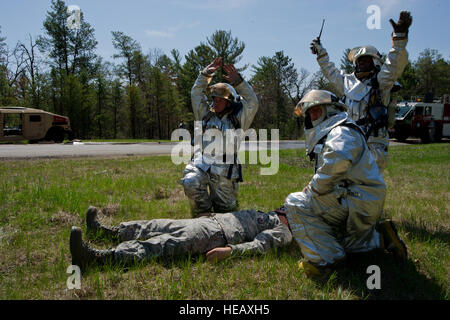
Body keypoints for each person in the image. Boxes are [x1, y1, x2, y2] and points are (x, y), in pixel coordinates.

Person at [286, 89, 407, 278]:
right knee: (330, 238)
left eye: (318, 109)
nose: (313, 115)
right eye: (310, 112)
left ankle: (326, 261)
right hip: (358, 200)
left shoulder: (340, 130)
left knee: (295, 202)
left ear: (331, 109)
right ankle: (380, 238)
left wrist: (312, 189)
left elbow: (338, 162)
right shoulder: (339, 130)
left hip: (355, 199)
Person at [310, 11, 412, 171]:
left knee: (367, 184)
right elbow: (330, 71)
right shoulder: (346, 81)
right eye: (359, 60)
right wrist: (321, 53)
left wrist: (399, 38)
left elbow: (394, 64)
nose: (362, 63)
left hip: (373, 141)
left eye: (366, 60)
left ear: (375, 62)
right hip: (349, 138)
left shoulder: (382, 81)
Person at [69, 206, 292, 270]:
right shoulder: (274, 213)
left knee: (161, 244)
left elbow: (260, 246)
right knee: (156, 226)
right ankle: (106, 233)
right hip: (209, 222)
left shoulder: (285, 230)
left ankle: (100, 258)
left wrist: (231, 251)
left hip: (216, 236)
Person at [181, 57, 258, 216]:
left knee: (226, 213)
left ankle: (219, 221)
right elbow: (196, 93)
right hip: (202, 161)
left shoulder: (239, 119)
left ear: (229, 102)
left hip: (225, 168)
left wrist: (239, 82)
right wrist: (205, 75)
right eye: (214, 98)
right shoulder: (205, 114)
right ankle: (203, 216)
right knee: (190, 181)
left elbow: (252, 102)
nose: (215, 102)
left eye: (220, 99)